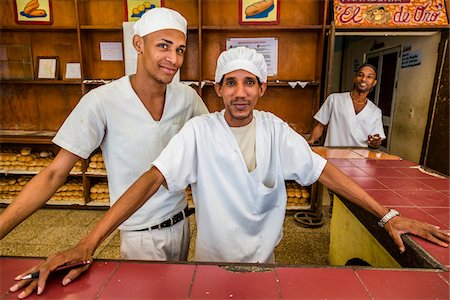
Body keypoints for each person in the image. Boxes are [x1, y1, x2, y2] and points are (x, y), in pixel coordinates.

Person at [10, 47, 449, 299]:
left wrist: (388, 215)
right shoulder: (200, 131)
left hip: (266, 261)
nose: (240, 94)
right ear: (217, 89)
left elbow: (324, 173)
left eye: (250, 83)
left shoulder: (277, 131)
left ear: (262, 88)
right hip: (212, 261)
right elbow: (151, 180)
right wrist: (89, 241)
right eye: (231, 83)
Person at [0, 7, 208, 263]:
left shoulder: (187, 98)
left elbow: (212, 146)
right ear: (138, 44)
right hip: (139, 235)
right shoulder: (102, 101)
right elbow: (54, 173)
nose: (174, 59)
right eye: (163, 46)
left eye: (180, 49)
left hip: (183, 224)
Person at [307, 64, 385, 148]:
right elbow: (320, 126)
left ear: (374, 83)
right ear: (354, 79)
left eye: (369, 77)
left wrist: (375, 142)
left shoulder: (375, 111)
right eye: (360, 75)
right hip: (333, 156)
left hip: (359, 159)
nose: (363, 79)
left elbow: (375, 142)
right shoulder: (334, 99)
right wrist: (310, 142)